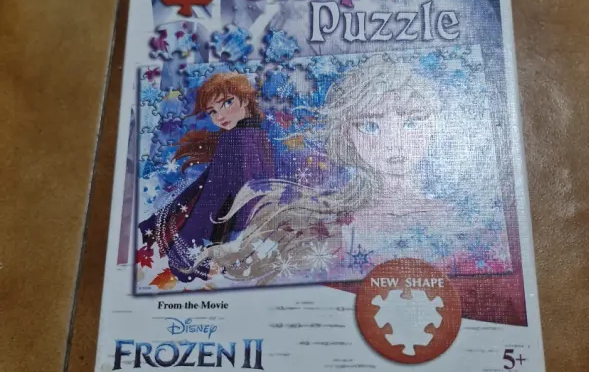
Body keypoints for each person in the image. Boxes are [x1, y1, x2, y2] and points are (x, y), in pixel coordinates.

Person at [194, 54, 475, 285]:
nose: (393, 142)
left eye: (411, 122)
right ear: (347, 135)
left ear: (435, 124)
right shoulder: (332, 222)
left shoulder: (456, 220)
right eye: (370, 126)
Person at [139, 72, 274, 282]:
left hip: (239, 219)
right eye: (212, 111)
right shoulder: (242, 136)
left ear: (246, 99)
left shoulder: (245, 137)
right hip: (233, 219)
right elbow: (216, 188)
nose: (219, 116)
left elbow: (246, 187)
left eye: (227, 103)